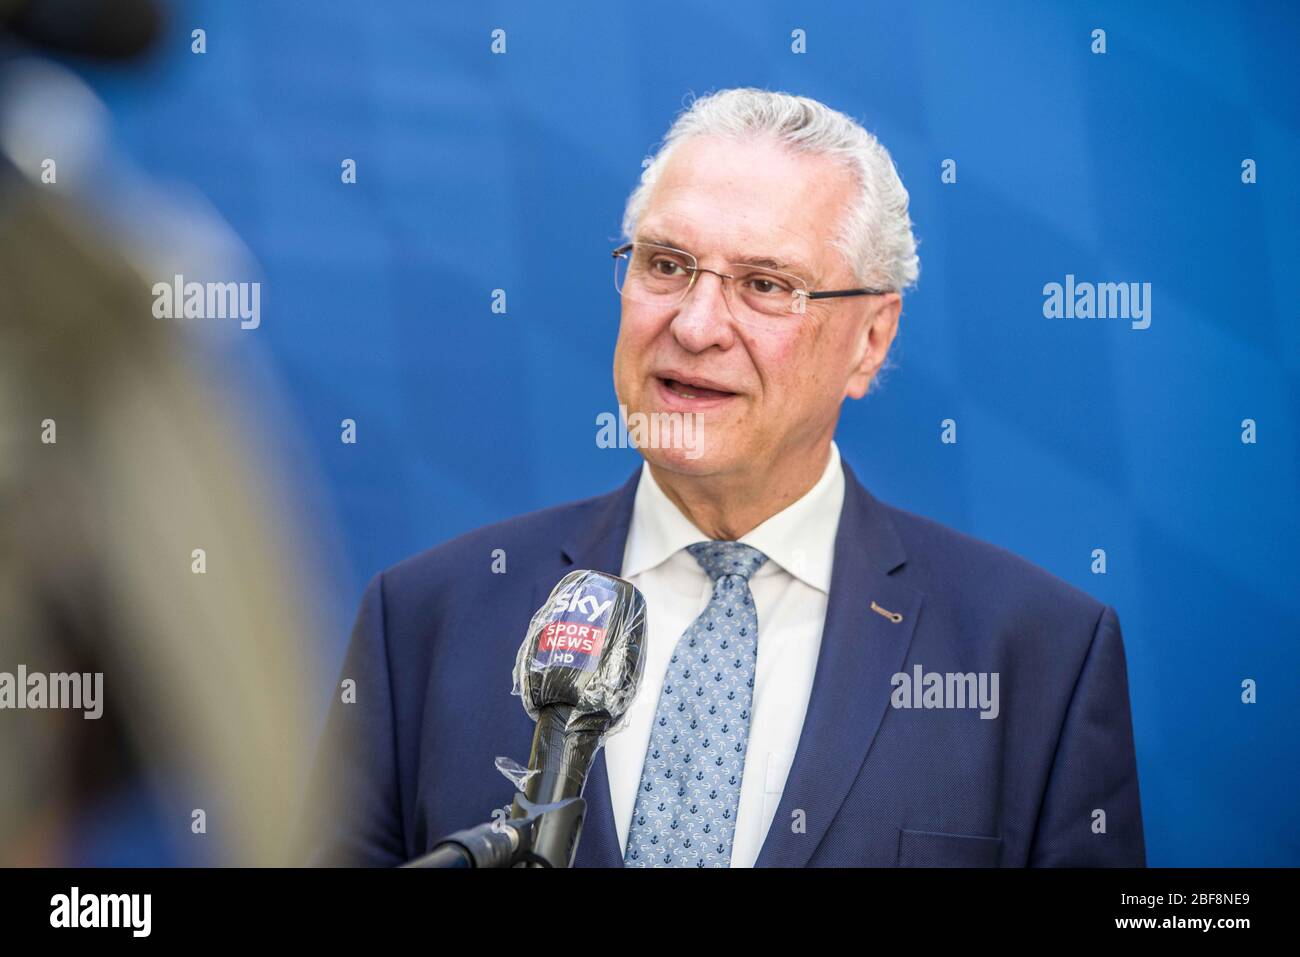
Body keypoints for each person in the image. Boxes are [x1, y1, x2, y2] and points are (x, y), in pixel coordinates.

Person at [302, 87, 1144, 868]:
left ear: (871, 339)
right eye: (666, 264)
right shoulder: (423, 621)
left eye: (765, 284)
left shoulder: (1038, 658)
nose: (697, 324)